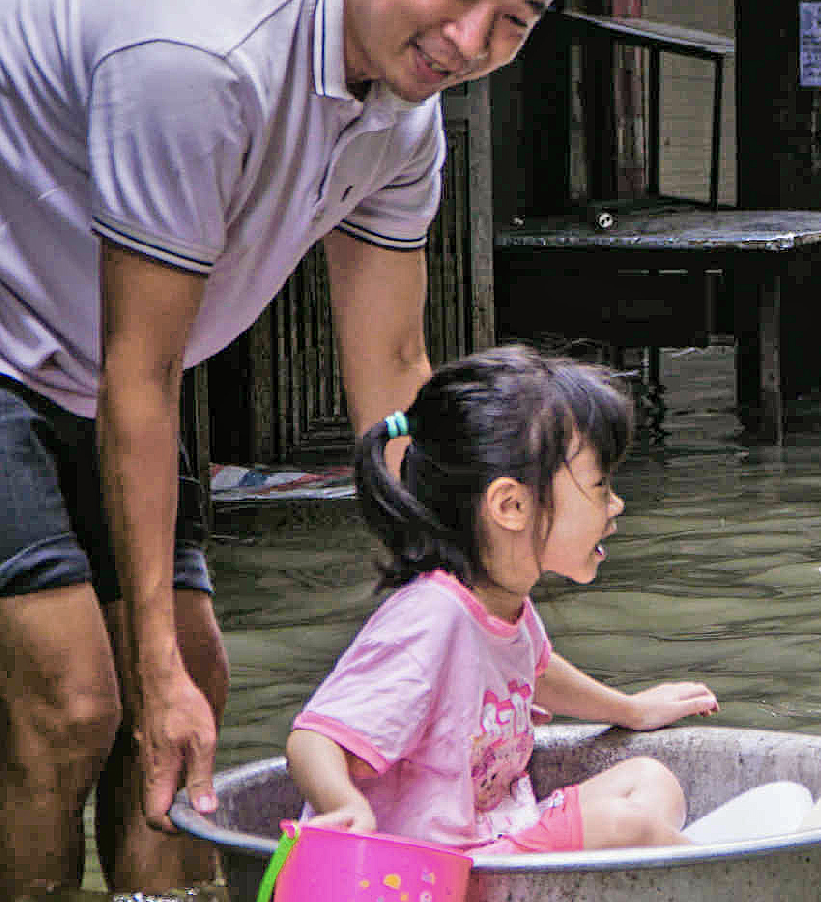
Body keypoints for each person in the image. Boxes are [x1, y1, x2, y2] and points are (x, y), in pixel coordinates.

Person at [0, 0, 606, 902]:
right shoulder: (201, 59)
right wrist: (152, 666)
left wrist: (465, 597)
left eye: (515, 20)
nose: (471, 42)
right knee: (79, 698)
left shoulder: (408, 121)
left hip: (87, 346)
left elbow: (395, 372)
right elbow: (141, 371)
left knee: (197, 684)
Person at [287, 347, 719, 852]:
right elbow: (313, 738)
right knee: (625, 825)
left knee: (651, 778)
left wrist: (630, 710)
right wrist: (346, 807)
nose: (616, 504)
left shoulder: (505, 602)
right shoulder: (431, 618)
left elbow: (537, 670)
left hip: (501, 831)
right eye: (600, 485)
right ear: (511, 505)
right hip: (444, 871)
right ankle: (729, 891)